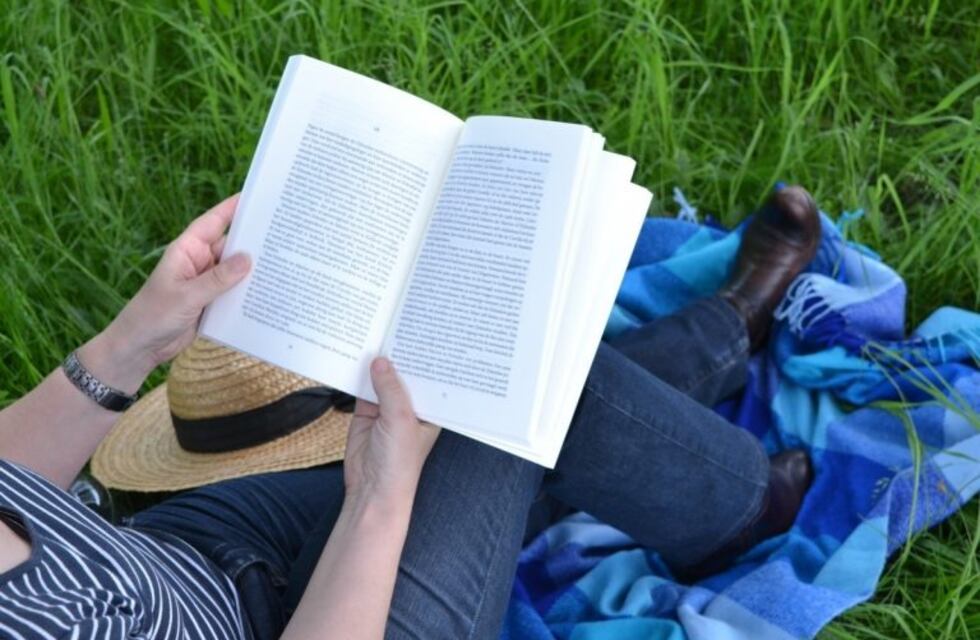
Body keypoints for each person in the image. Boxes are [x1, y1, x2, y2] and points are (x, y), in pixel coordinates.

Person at [0, 186, 820, 639]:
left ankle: (717, 351)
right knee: (483, 388)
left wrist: (130, 345)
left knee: (486, 425)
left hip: (195, 552)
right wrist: (379, 501)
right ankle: (738, 501)